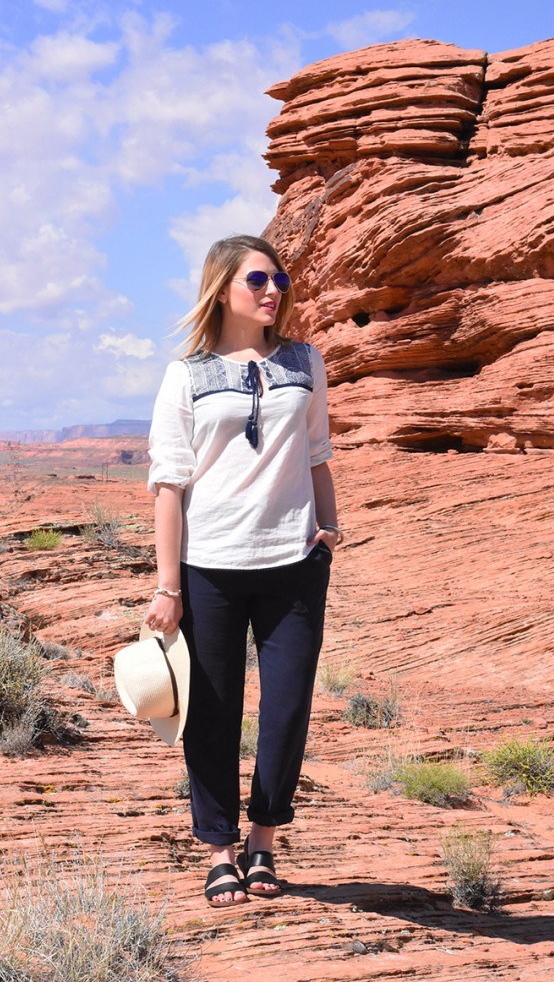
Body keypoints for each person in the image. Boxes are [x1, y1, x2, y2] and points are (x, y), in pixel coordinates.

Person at [144, 234, 341, 906]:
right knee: (213, 716)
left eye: (279, 280)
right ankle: (220, 850)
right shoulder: (187, 375)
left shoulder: (304, 361)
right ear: (222, 287)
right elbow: (169, 484)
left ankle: (264, 839)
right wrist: (168, 586)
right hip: (210, 568)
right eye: (258, 280)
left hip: (294, 565)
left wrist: (329, 532)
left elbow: (317, 453)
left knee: (287, 709)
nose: (273, 291)